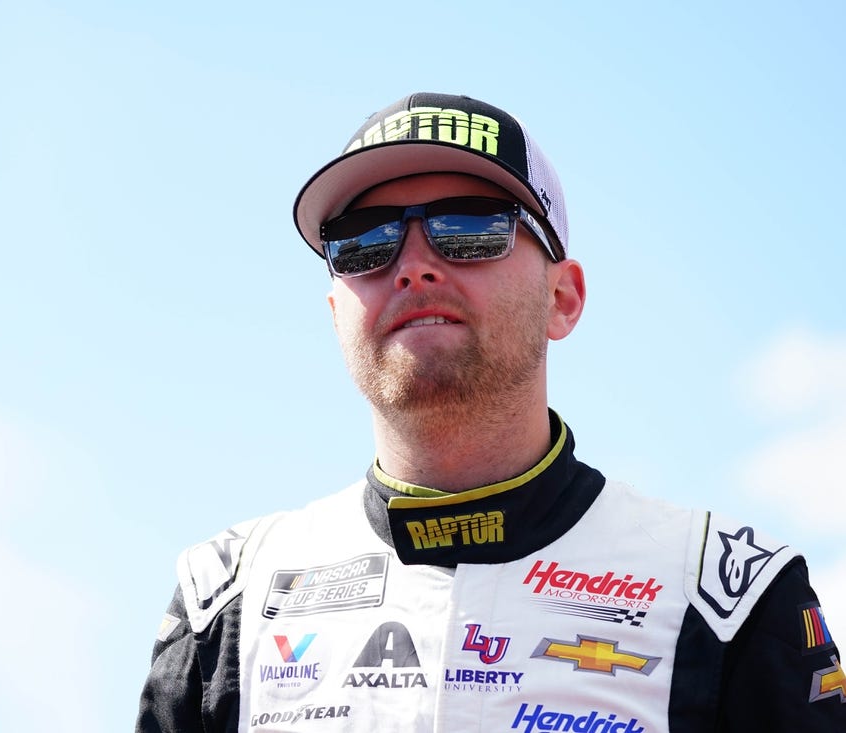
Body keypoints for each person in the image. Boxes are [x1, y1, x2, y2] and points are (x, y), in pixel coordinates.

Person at [135, 92, 845, 732]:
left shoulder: (729, 598)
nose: (413, 264)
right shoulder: (227, 602)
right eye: (364, 240)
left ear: (562, 299)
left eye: (469, 227)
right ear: (334, 314)